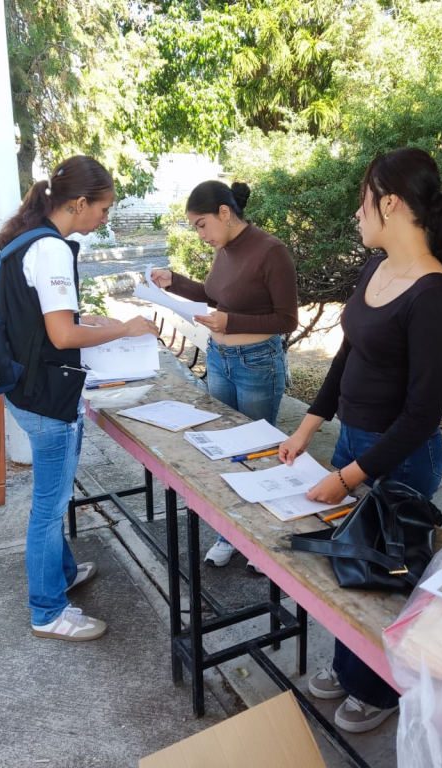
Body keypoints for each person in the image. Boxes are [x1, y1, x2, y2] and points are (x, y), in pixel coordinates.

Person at [278, 147, 442, 733]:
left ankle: (380, 689)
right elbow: (349, 352)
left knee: (388, 578)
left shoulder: (434, 294)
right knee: (350, 564)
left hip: (401, 459)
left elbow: (420, 416)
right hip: (353, 444)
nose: (357, 216)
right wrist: (308, 427)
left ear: (389, 202)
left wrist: (347, 477)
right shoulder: (377, 269)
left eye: (362, 202)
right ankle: (350, 663)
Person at [0, 155, 159, 642]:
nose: (105, 219)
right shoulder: (51, 250)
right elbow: (62, 335)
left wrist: (108, 325)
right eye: (104, 210)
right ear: (80, 203)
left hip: (23, 387)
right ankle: (47, 610)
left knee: (53, 498)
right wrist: (124, 329)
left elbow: (42, 325)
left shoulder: (21, 240)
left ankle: (60, 576)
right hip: (47, 398)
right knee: (49, 507)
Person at [151, 180, 299, 567]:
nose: (199, 235)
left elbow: (287, 319)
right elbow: (216, 295)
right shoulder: (226, 249)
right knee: (226, 449)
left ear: (223, 213)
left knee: (257, 451)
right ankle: (230, 533)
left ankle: (264, 538)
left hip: (256, 362)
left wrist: (229, 321)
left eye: (201, 225)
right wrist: (175, 282)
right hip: (219, 358)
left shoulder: (271, 251)